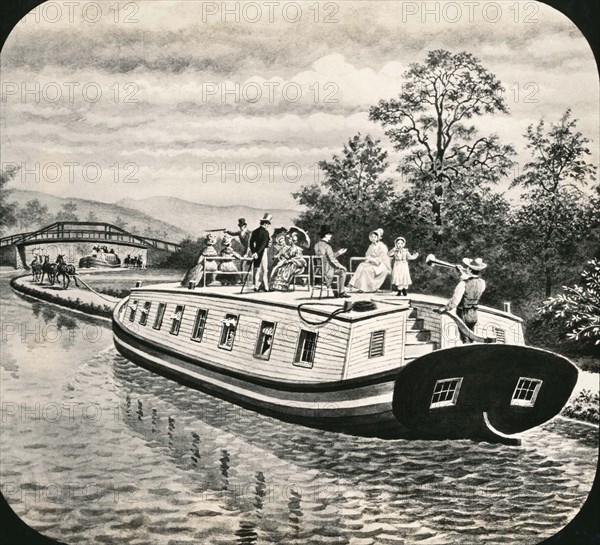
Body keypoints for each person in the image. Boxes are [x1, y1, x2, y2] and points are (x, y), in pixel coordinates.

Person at [437, 257, 487, 343]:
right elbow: (471, 282)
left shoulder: (463, 283)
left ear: (469, 270)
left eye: (467, 267)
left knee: (465, 340)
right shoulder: (482, 282)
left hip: (463, 313)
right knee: (471, 337)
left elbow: (455, 301)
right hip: (474, 313)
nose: (465, 268)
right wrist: (462, 273)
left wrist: (445, 308)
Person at [348, 228, 390, 293]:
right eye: (372, 237)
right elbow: (367, 255)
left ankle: (363, 288)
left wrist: (374, 259)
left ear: (378, 238)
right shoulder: (371, 246)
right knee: (361, 264)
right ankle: (353, 282)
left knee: (366, 270)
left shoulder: (383, 246)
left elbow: (383, 258)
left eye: (375, 237)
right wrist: (369, 258)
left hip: (381, 265)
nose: (373, 238)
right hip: (372, 263)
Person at [314, 224, 349, 298]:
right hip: (327, 270)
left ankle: (336, 292)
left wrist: (339, 253)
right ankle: (341, 292)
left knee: (335, 270)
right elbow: (332, 260)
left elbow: (326, 257)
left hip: (319, 270)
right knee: (342, 271)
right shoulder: (327, 246)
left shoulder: (317, 245)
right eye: (329, 234)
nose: (331, 236)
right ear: (326, 235)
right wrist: (341, 266)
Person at [249, 213, 272, 292]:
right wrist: (258, 253)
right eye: (268, 224)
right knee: (265, 270)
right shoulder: (266, 233)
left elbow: (251, 243)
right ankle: (266, 287)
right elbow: (263, 245)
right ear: (265, 224)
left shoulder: (254, 231)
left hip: (256, 252)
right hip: (263, 252)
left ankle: (256, 286)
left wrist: (254, 252)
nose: (268, 226)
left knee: (257, 269)